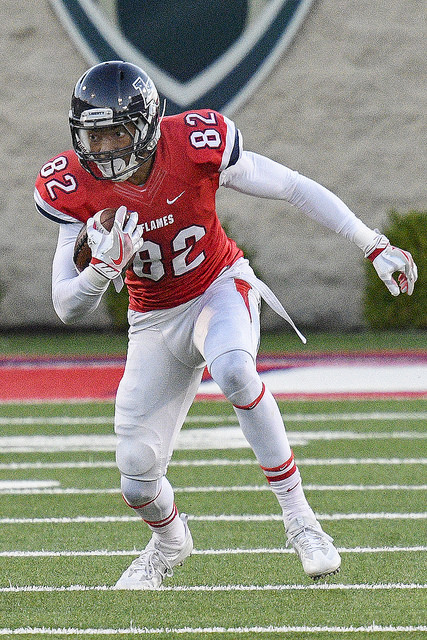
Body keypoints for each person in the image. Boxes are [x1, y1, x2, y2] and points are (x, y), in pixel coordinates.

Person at [35, 60, 417, 590]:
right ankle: (170, 542)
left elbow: (290, 186)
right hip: (152, 318)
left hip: (217, 285)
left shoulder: (194, 144)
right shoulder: (72, 186)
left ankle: (302, 521)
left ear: (146, 126)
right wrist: (100, 269)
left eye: (116, 133)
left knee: (235, 369)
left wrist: (371, 242)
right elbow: (66, 306)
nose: (104, 149)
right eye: (93, 136)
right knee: (137, 477)